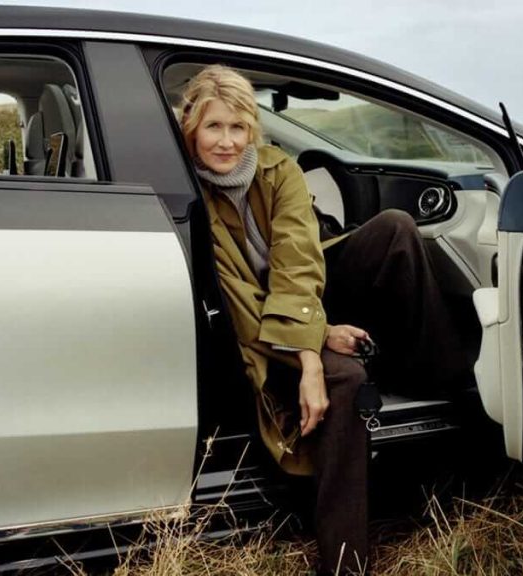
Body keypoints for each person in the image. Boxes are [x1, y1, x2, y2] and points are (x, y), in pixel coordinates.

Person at [180, 64, 471, 574]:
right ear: (191, 128)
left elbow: (299, 260)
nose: (227, 142)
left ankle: (454, 395)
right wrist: (314, 349)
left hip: (301, 298)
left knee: (396, 229)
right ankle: (345, 562)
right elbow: (240, 299)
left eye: (238, 127)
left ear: (252, 128)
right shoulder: (187, 193)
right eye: (214, 127)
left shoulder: (277, 169)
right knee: (345, 377)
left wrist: (317, 333)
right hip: (257, 323)